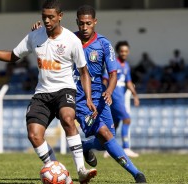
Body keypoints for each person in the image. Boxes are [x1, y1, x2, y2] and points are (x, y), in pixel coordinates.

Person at [0, 1, 97, 183]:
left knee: (67, 118)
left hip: (65, 89)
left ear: (60, 16)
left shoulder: (72, 40)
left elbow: (83, 72)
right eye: (44, 17)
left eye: (51, 17)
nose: (47, 20)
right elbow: (13, 56)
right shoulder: (34, 36)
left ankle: (81, 170)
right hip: (42, 93)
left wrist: (88, 97)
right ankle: (59, 173)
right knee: (34, 135)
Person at [32, 5, 146, 183]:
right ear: (77, 22)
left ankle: (84, 146)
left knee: (107, 139)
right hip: (78, 100)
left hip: (100, 99)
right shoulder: (68, 39)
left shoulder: (104, 44)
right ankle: (137, 174)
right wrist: (38, 31)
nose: (84, 27)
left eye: (88, 23)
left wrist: (108, 91)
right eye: (81, 23)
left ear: (95, 22)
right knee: (105, 135)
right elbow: (47, 39)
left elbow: (113, 73)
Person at [102, 41, 141, 158]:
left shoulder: (126, 66)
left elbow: (128, 82)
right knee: (127, 119)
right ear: (118, 52)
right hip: (114, 97)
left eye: (126, 51)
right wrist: (105, 93)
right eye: (122, 51)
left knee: (115, 123)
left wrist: (135, 95)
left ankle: (108, 149)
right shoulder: (113, 64)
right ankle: (126, 147)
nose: (124, 53)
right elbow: (105, 79)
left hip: (120, 97)